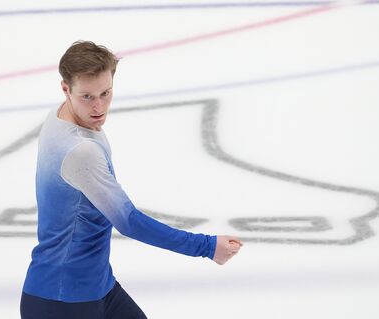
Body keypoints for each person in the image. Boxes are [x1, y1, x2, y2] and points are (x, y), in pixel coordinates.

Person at [20, 40, 243, 319]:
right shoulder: (80, 151)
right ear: (66, 89)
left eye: (106, 93)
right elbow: (129, 222)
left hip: (97, 287)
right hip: (63, 301)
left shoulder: (64, 116)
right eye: (87, 97)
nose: (99, 106)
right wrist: (206, 246)